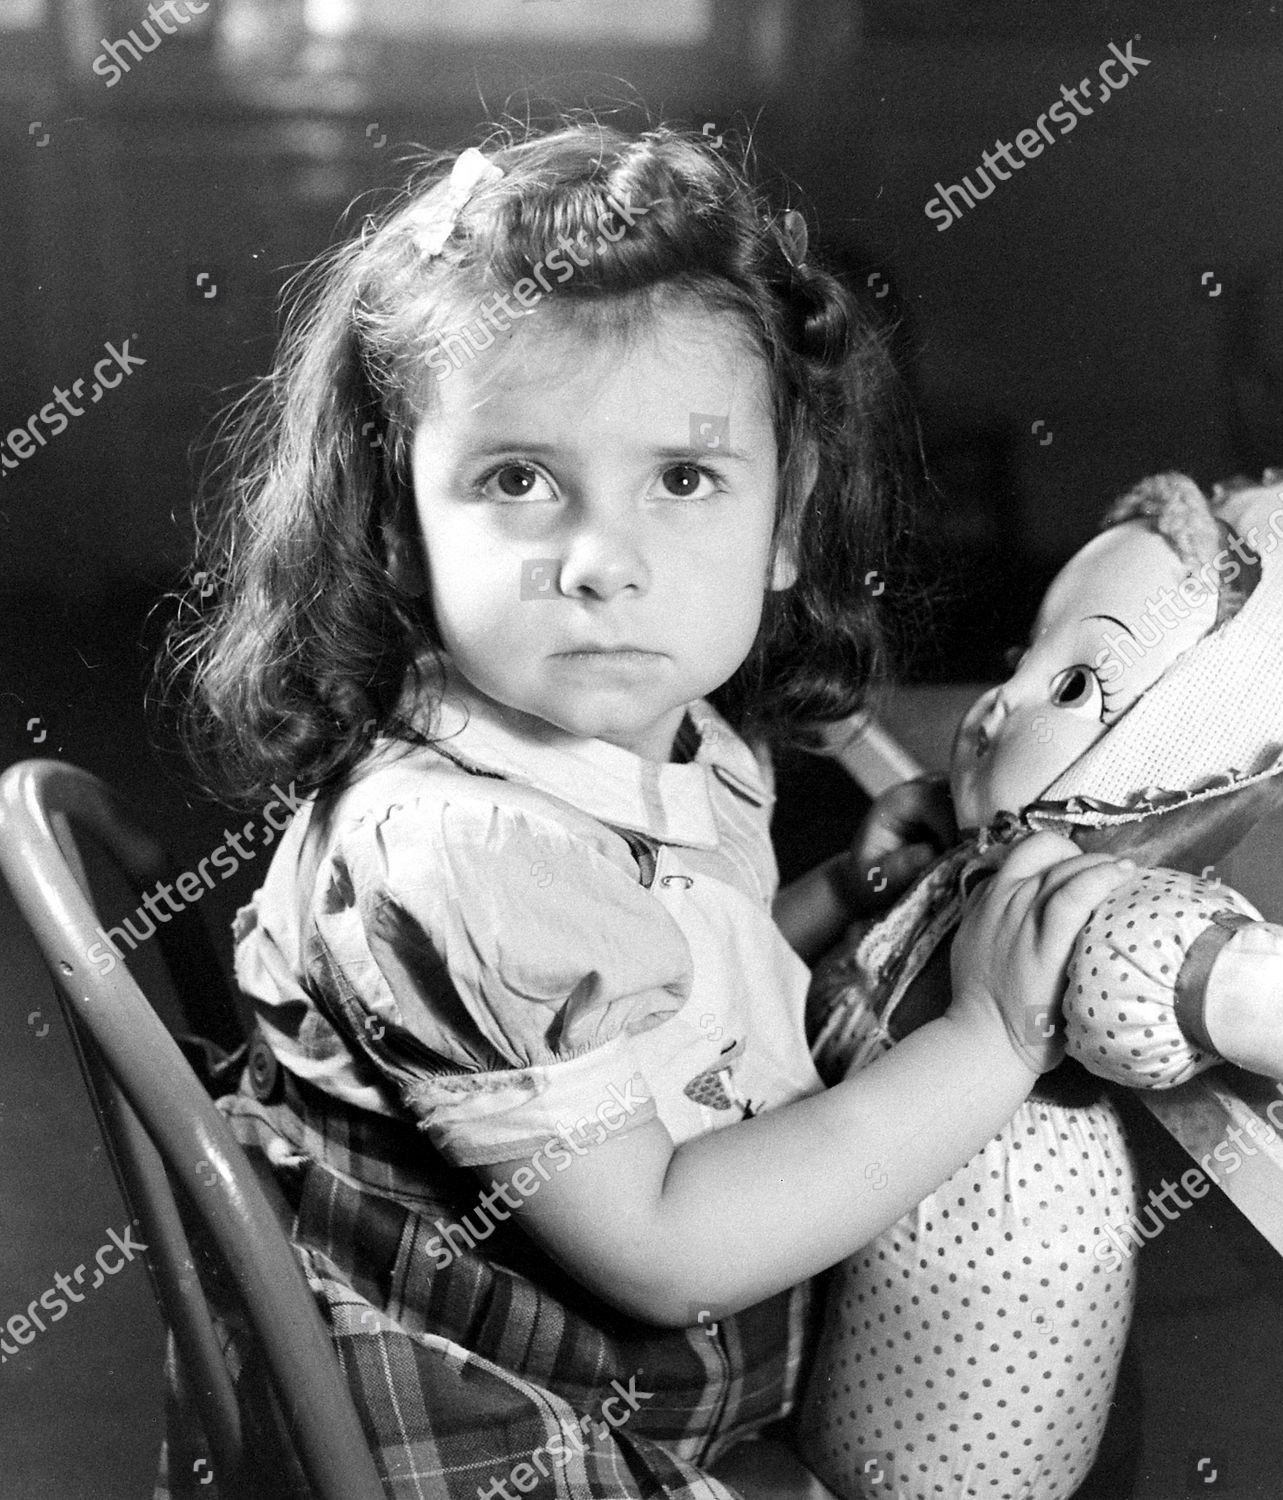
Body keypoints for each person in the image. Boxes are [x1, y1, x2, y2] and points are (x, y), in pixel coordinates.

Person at [152, 117, 1137, 1500]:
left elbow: (660, 1002)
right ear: (397, 525)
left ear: (784, 519)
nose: (605, 562)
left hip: (624, 1394)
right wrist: (990, 1036)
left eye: (682, 479)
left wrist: (832, 899)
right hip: (531, 1450)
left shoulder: (653, 747)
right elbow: (672, 1248)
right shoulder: (462, 851)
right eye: (517, 481)